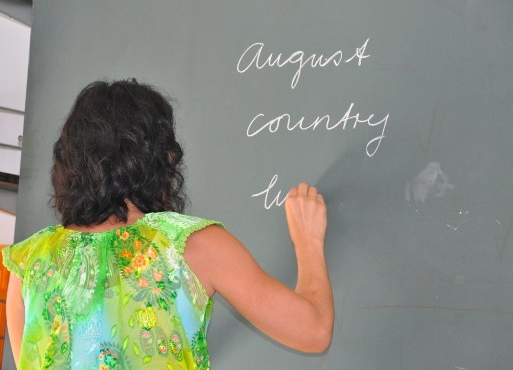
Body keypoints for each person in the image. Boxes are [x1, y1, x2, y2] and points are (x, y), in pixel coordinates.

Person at [2, 79, 334, 369]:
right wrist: (308, 242)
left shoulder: (28, 265)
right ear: (160, 159)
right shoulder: (192, 246)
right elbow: (313, 331)